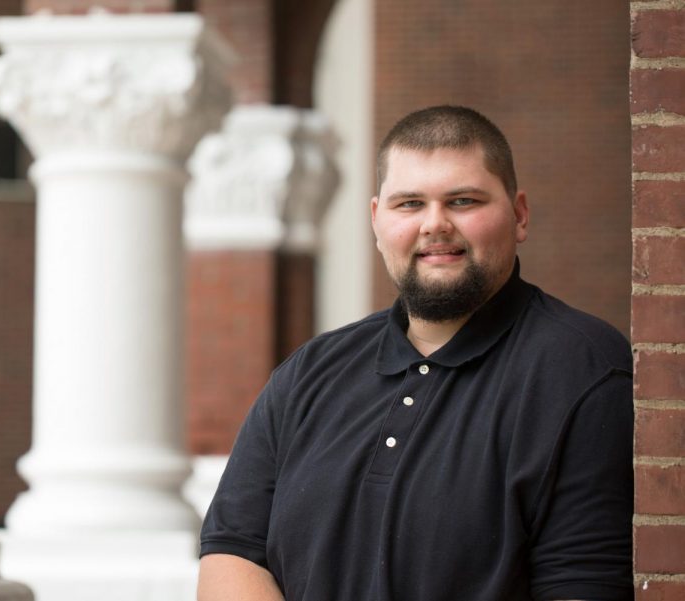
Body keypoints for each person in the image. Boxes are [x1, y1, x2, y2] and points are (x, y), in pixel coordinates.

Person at [197, 106, 634, 601]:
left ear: (519, 215)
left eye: (463, 200)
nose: (435, 224)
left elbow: (582, 584)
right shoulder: (306, 375)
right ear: (377, 220)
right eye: (409, 204)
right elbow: (232, 552)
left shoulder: (585, 372)